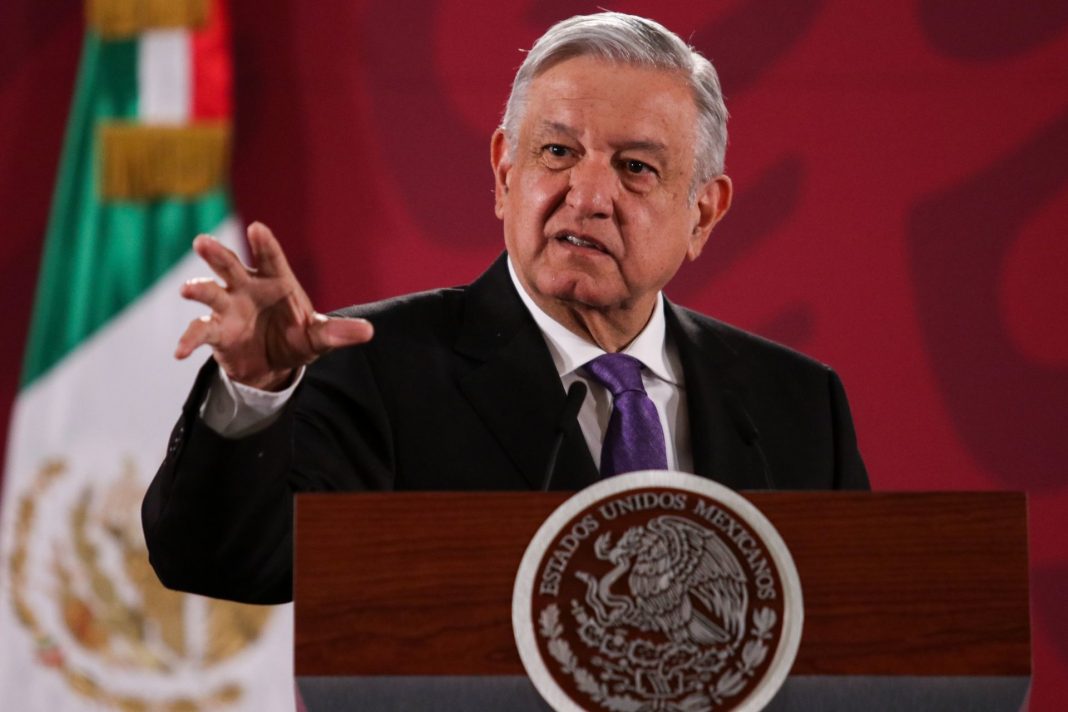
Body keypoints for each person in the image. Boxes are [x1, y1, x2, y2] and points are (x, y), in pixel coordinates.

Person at [143, 12, 868, 605]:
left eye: (636, 167)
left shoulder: (799, 405)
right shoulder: (376, 369)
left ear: (703, 214)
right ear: (504, 173)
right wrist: (256, 394)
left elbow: (856, 635)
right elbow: (223, 562)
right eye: (557, 151)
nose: (586, 196)